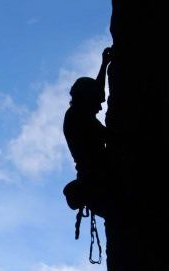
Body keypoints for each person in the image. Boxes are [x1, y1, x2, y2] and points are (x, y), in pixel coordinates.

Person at [63, 47, 112, 217]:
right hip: (98, 180)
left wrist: (104, 65)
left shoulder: (79, 112)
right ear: (85, 100)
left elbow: (96, 90)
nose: (99, 107)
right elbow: (110, 136)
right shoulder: (78, 119)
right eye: (96, 103)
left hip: (96, 178)